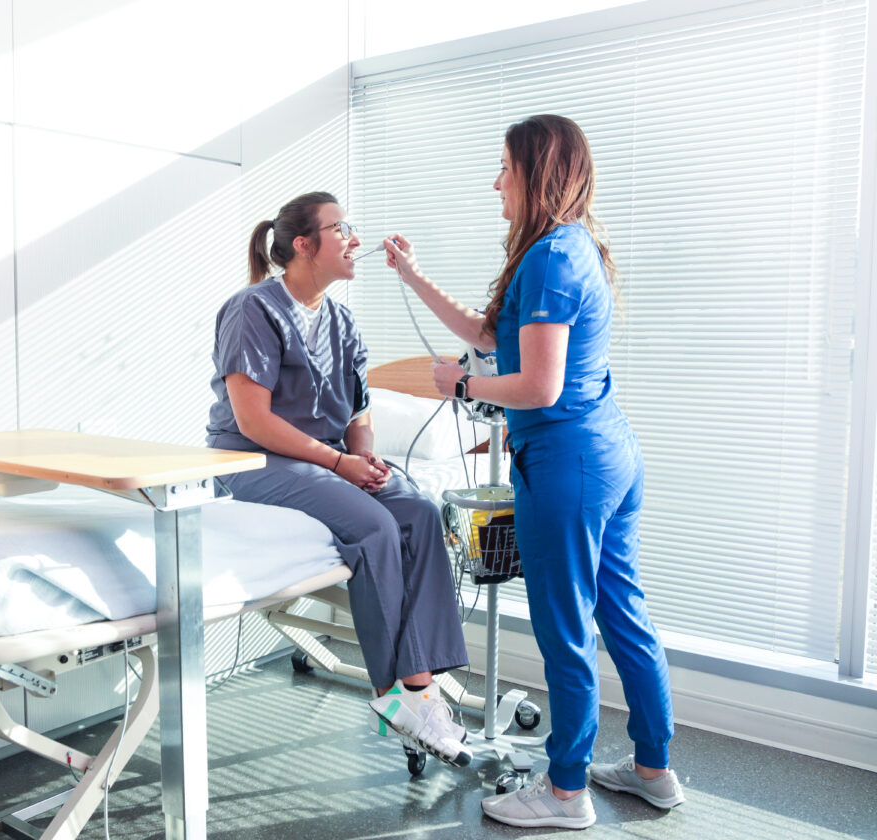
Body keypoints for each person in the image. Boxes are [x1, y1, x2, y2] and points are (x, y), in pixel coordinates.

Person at [383, 115, 684, 829]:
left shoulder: (550, 258)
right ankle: (652, 770)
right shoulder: (571, 248)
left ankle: (566, 791)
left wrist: (462, 386)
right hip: (610, 453)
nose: (497, 183)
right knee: (623, 614)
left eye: (505, 170)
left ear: (536, 173)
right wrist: (411, 274)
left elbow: (539, 386)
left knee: (565, 628)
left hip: (567, 461)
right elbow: (492, 336)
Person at [206, 191, 473, 767]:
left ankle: (418, 695)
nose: (356, 238)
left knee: (421, 511)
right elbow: (253, 419)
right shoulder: (251, 309)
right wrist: (337, 466)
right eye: (341, 228)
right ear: (304, 246)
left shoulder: (342, 318)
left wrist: (365, 457)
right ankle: (393, 694)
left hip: (323, 457)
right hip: (251, 460)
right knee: (376, 526)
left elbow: (358, 409)